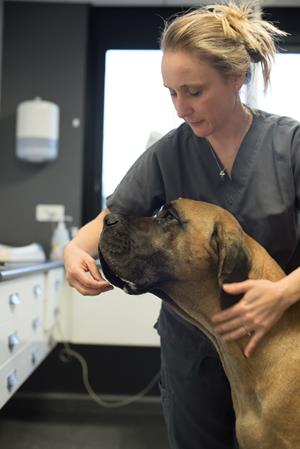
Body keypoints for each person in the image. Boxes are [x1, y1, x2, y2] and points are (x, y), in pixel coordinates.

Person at [64, 2, 300, 448]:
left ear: (236, 79)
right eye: (171, 92)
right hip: (193, 346)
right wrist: (74, 250)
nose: (180, 108)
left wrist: (284, 292)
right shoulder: (169, 153)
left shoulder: (290, 146)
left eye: (193, 91)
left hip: (282, 340)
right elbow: (106, 219)